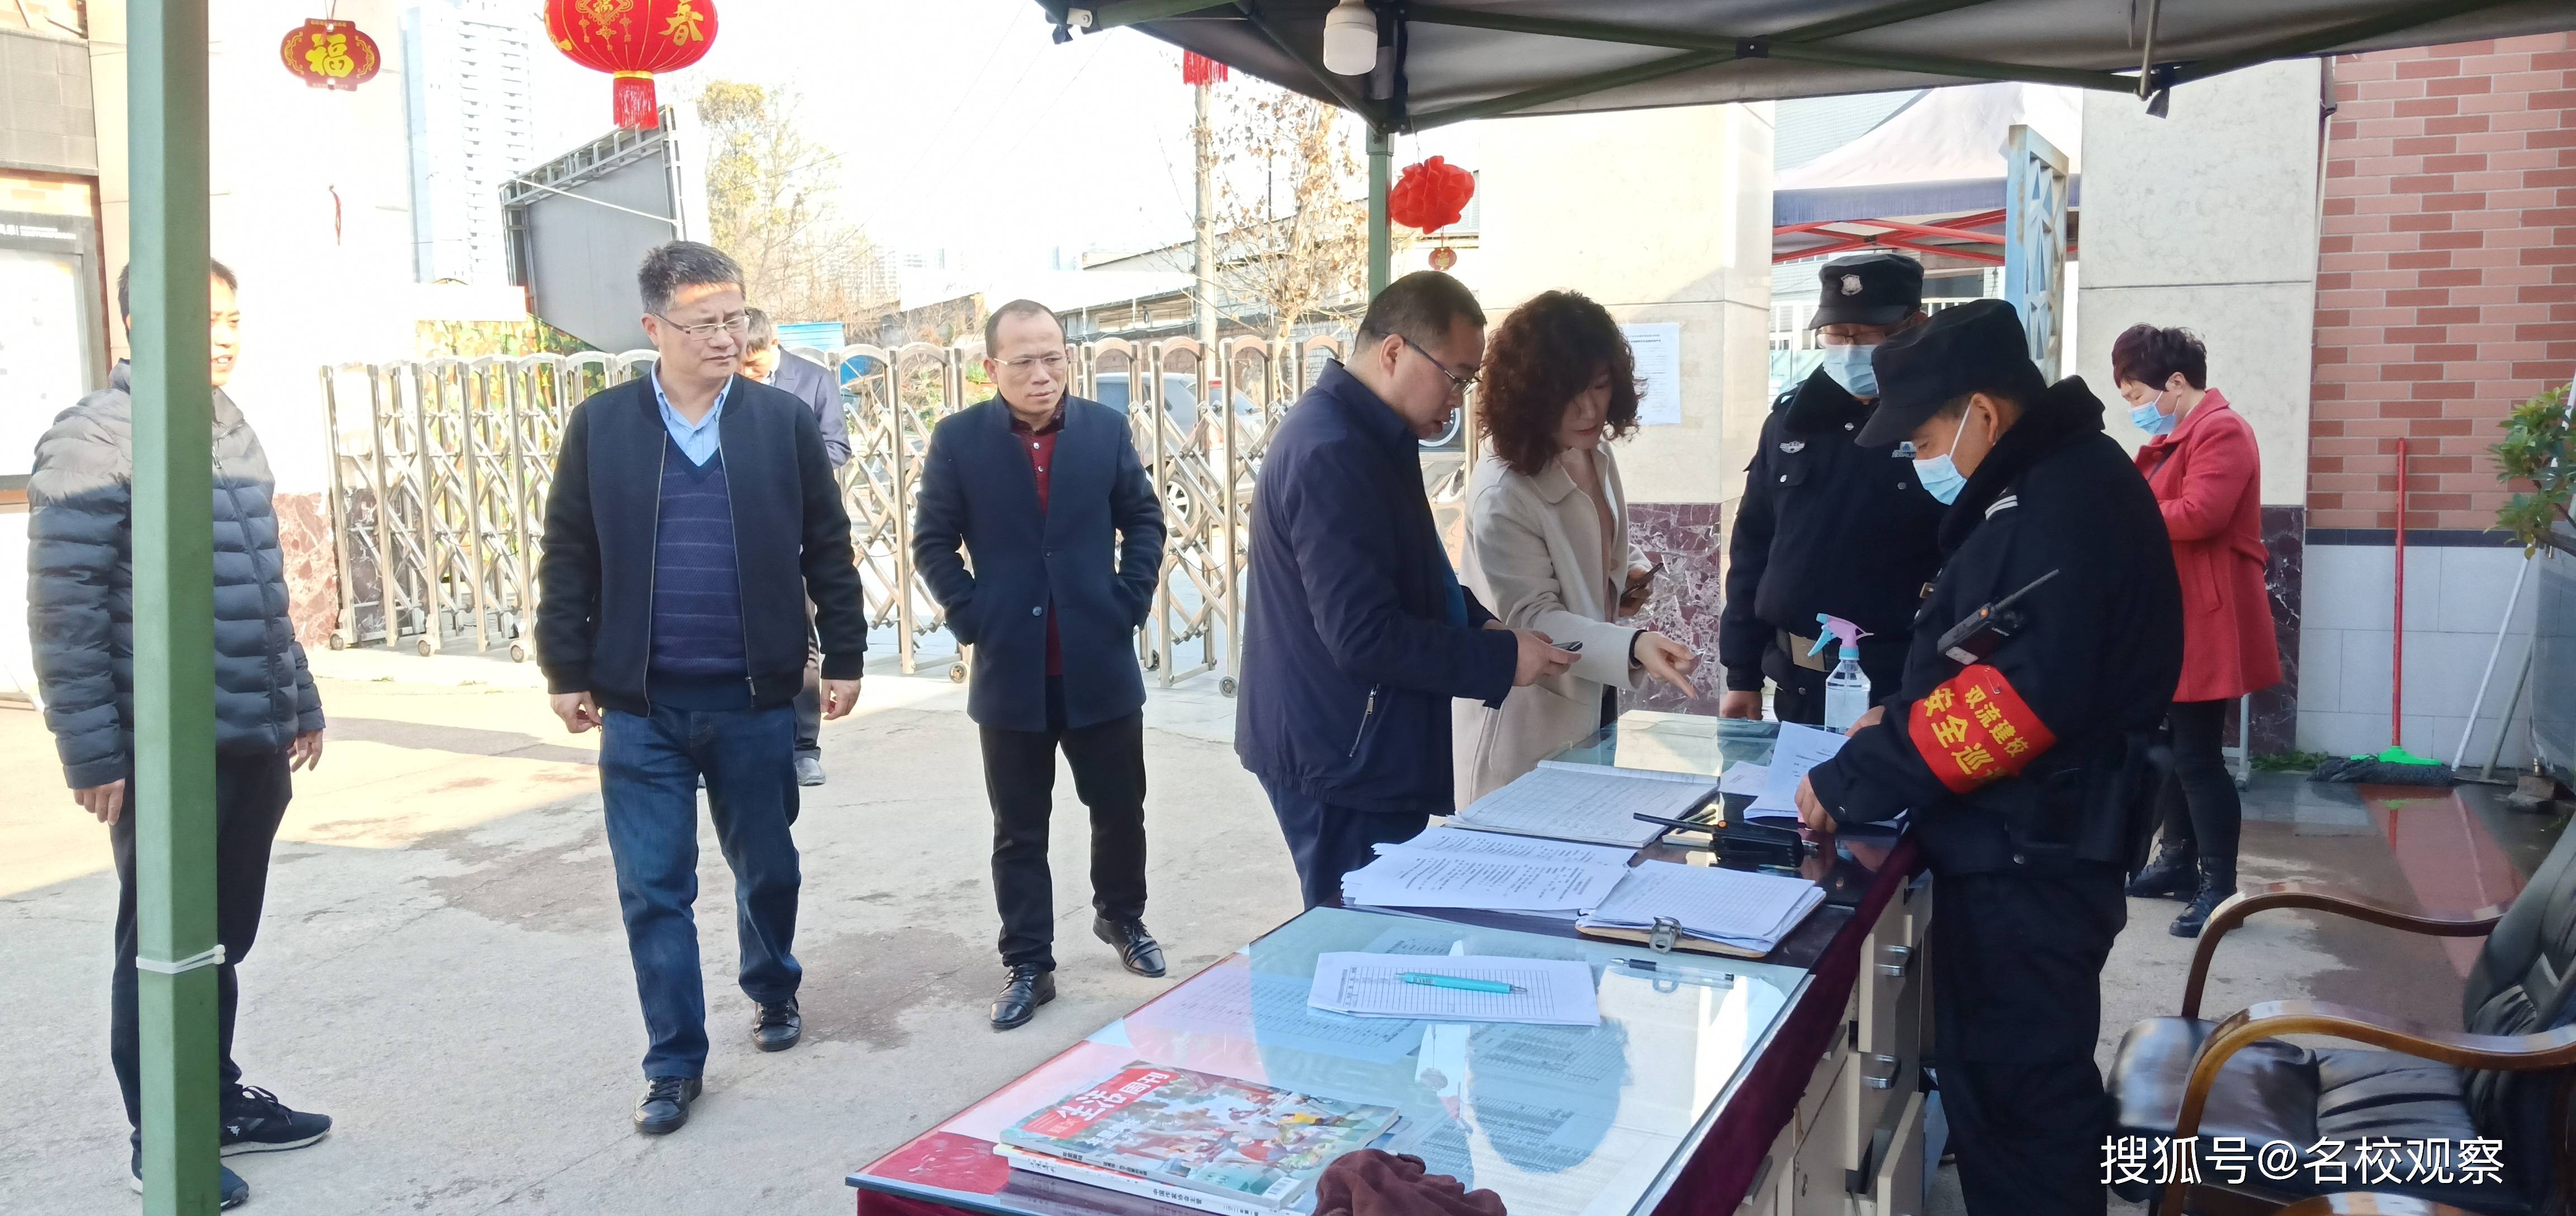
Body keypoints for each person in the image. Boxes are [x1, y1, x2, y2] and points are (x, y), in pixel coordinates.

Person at [1792, 300, 2182, 1216]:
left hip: (2030, 860)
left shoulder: (2057, 504)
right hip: (2025, 847)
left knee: (2020, 1115)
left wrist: (1850, 778)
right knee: (2009, 1099)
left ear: (1983, 412)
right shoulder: (2051, 479)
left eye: (1926, 435)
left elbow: (2013, 701)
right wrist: (1893, 717)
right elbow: (1987, 656)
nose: (1923, 457)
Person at [534, 241, 868, 1136]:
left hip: (753, 698)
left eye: (736, 320)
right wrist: (564, 669)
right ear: (655, 329)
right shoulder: (602, 428)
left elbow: (825, 547)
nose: (727, 337)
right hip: (641, 707)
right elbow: (569, 554)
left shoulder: (778, 423)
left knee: (768, 868)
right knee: (654, 889)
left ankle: (772, 986)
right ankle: (674, 1063)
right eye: (705, 323)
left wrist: (844, 654)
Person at [29, 261, 332, 1207]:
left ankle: (219, 1096)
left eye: (233, 317)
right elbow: (65, 609)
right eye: (202, 319)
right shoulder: (97, 436)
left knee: (217, 938)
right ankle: (159, 1133)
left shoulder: (228, 426)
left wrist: (301, 697)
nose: (224, 334)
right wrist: (92, 749)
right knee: (160, 941)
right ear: (131, 328)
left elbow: (260, 588)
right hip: (163, 747)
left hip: (249, 731)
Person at [1236, 270, 1578, 910]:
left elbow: (1417, 572)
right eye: (1456, 375)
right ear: (1394, 352)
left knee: (1375, 936)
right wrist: (1502, 661)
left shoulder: (1372, 433)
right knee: (1354, 948)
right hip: (1339, 753)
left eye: (1469, 380)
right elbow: (1364, 635)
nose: (1460, 399)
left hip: (1361, 741)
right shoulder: (1332, 450)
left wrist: (1478, 624)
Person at [912, 300, 1169, 1031]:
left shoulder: (1103, 431)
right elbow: (933, 542)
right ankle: (1029, 962)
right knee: (1018, 830)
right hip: (1011, 670)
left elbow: (1143, 518)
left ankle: (1122, 918)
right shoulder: (959, 441)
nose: (1042, 373)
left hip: (1100, 660)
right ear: (991, 368)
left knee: (1120, 810)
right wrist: (973, 619)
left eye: (1053, 356)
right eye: (1023, 360)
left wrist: (1129, 600)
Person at [1453, 289, 1700, 803]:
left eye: (1601, 386)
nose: (1589, 408)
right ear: (1530, 395)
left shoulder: (1595, 453)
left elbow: (1598, 542)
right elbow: (1532, 618)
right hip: (1524, 723)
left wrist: (1626, 574)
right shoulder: (1505, 488)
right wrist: (1632, 645)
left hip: (1593, 705)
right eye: (1568, 394)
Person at [1720, 253, 1945, 725]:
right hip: (1799, 683)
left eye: (1866, 336)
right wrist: (1741, 675)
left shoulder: (1942, 425)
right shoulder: (1790, 421)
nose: (1849, 349)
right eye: (1837, 335)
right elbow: (1753, 549)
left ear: (1915, 327)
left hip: (1901, 691)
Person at [2111, 324, 2281, 937]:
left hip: (2208, 617)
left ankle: (2219, 887)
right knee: (2183, 752)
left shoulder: (2221, 430)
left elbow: (2202, 514)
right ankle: (2179, 864)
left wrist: (2127, 514)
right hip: (2183, 614)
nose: (2135, 410)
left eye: (2136, 396)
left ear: (2176, 384)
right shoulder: (2185, 434)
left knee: (2199, 758)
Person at [741, 307, 852, 787]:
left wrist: (780, 464)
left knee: (802, 637)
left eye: (755, 363)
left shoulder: (813, 380)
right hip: (741, 531)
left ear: (772, 346)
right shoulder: (722, 388)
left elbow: (837, 448)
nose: (748, 373)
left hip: (798, 526)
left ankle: (804, 747)